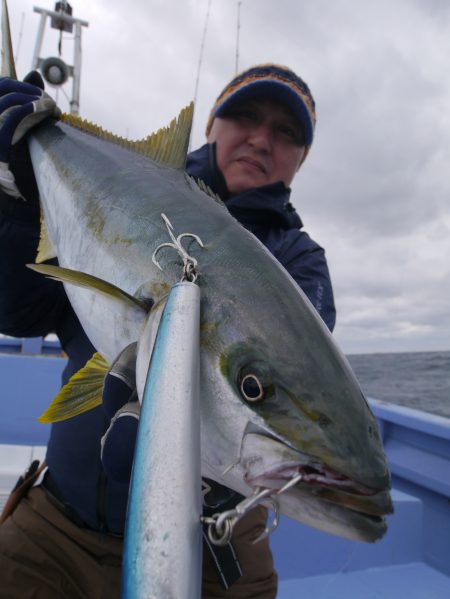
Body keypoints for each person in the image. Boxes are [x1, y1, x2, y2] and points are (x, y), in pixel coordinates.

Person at [0, 63, 335, 598]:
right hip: (57, 530)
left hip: (213, 549)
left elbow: (290, 389)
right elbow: (18, 315)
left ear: (302, 157)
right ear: (210, 126)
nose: (261, 138)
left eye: (286, 132)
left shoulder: (298, 261)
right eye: (245, 115)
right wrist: (13, 213)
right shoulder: (110, 188)